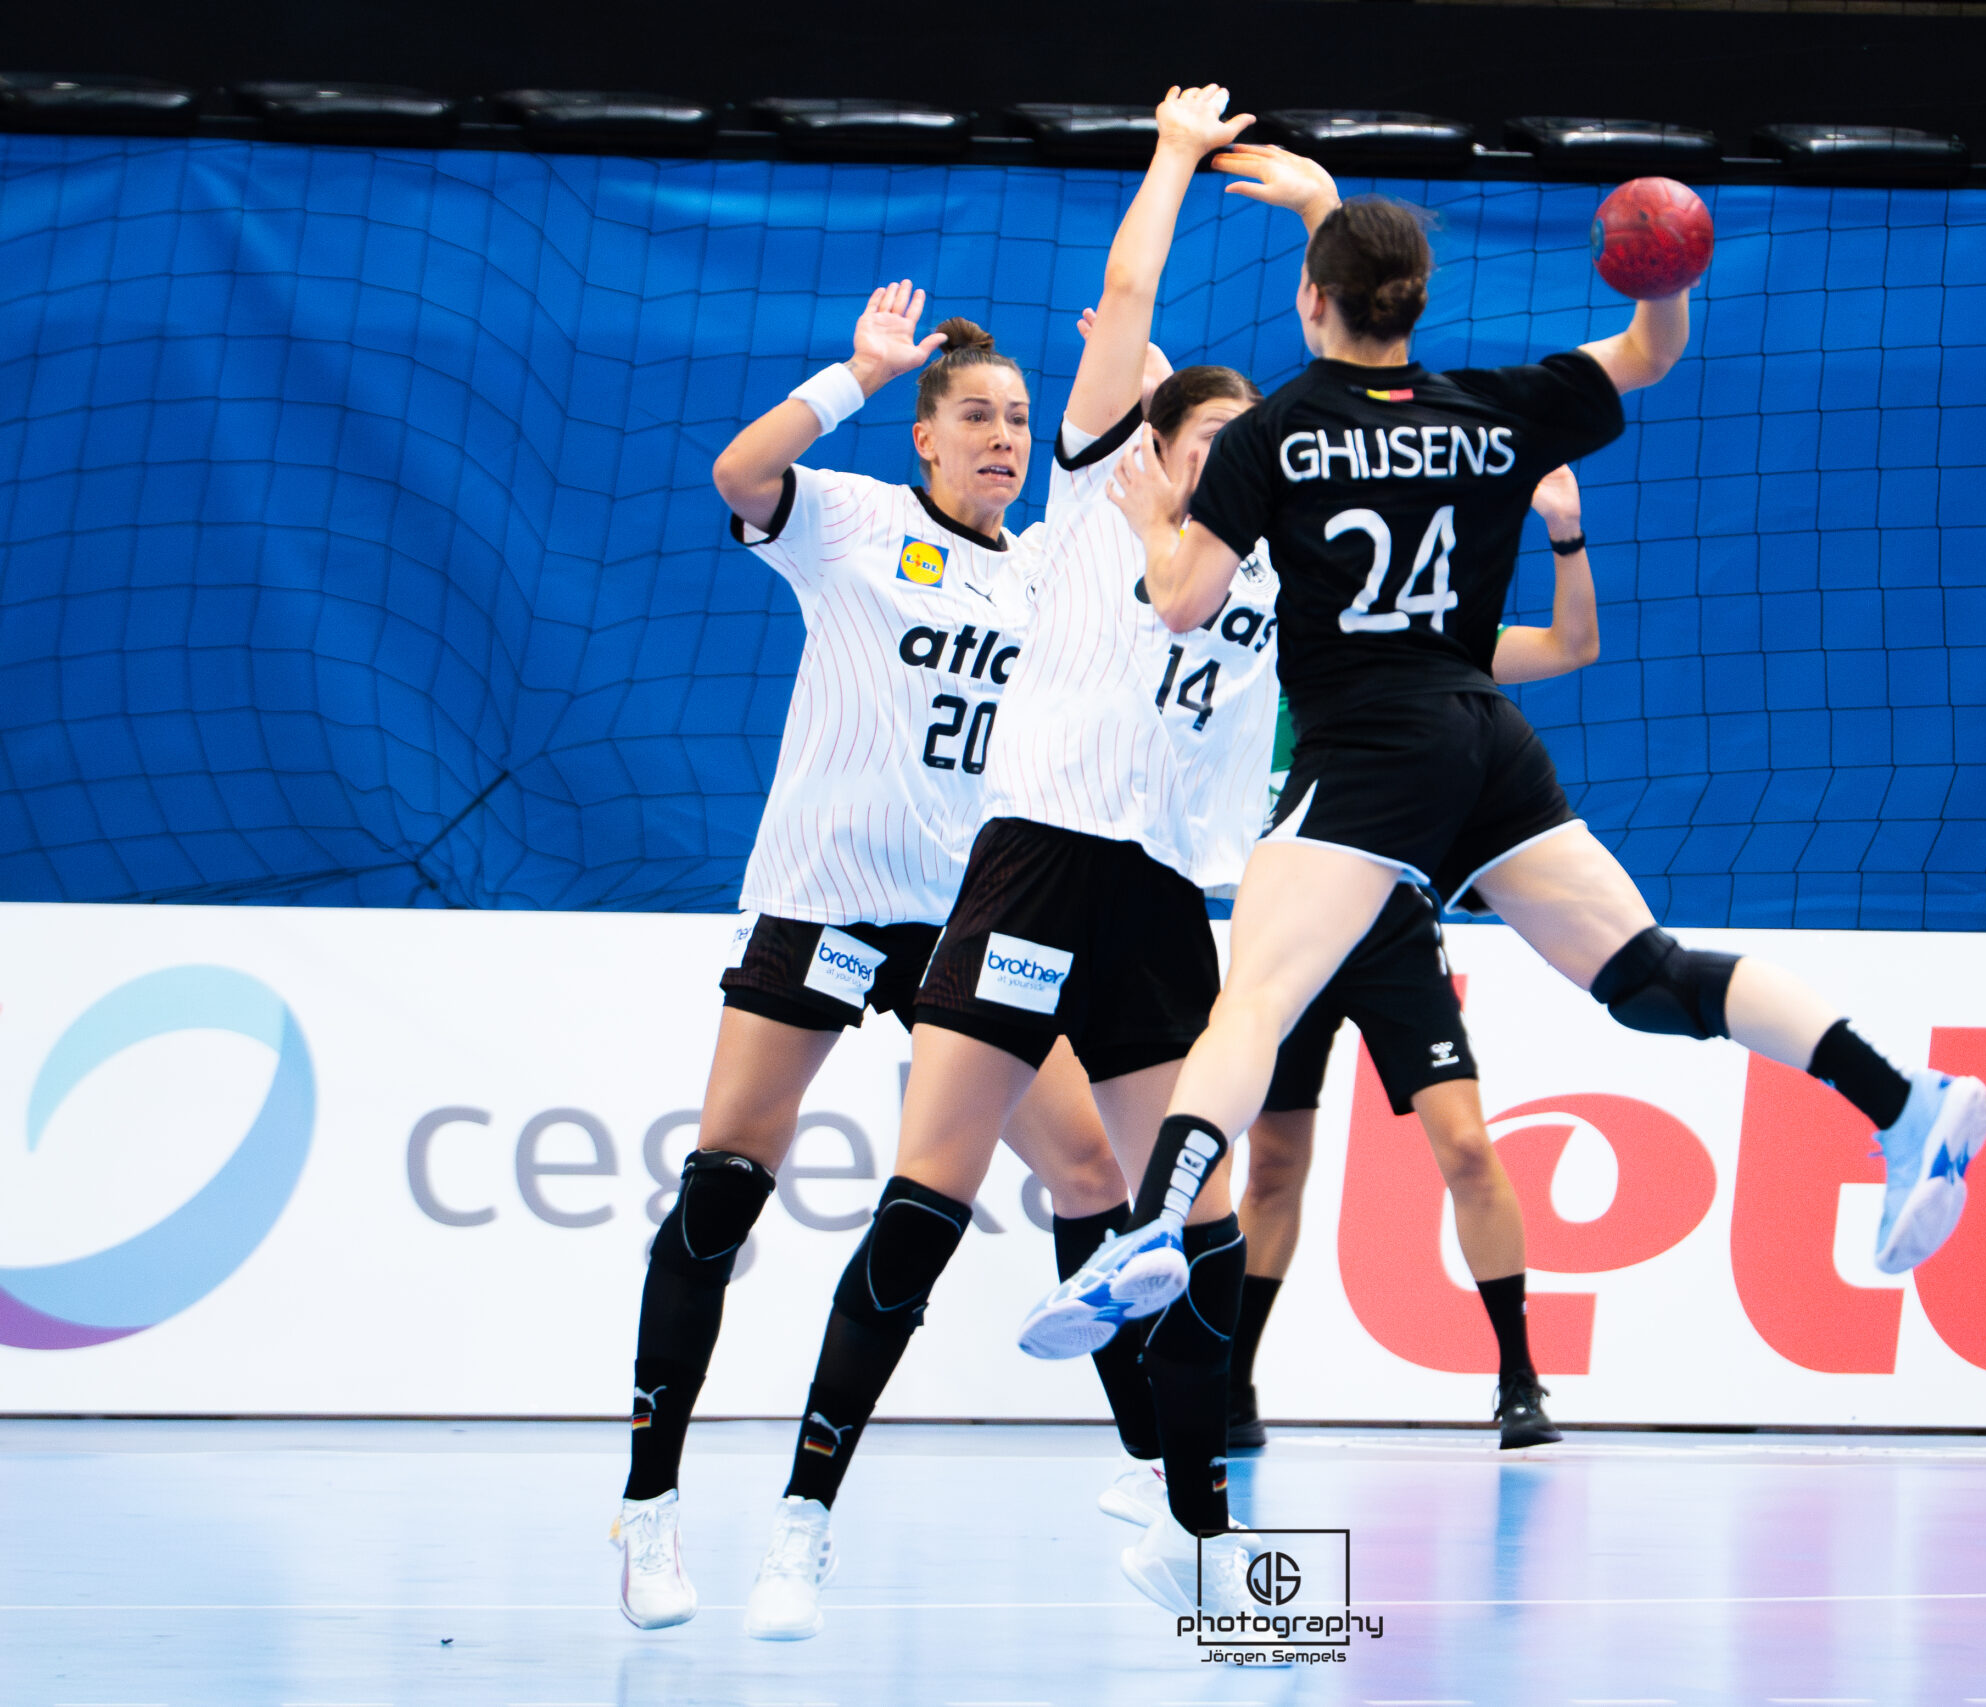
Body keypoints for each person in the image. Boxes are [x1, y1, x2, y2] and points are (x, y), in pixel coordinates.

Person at [1028, 154, 1986, 1354]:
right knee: (1648, 976)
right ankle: (1901, 1100)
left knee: (1258, 1002)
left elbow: (1180, 601)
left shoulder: (1267, 434)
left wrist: (1146, 525)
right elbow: (1650, 352)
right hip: (1483, 736)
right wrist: (1665, 269)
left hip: (1365, 744)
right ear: (1417, 299)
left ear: (1310, 299)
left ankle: (1152, 1230)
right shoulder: (1492, 411)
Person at [729, 84, 1292, 1635]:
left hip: (1164, 898)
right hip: (1037, 862)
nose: (1241, 457)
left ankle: (1196, 1528)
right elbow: (1130, 291)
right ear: (1149, 443)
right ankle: (799, 1524)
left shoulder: (1265, 562)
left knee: (1195, 1220)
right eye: (1214, 437)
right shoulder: (1094, 498)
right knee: (929, 1190)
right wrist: (1173, 154)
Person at [609, 280, 1136, 1635]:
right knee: (727, 1184)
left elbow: (1158, 527)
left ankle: (829, 1517)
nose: (1003, 436)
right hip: (829, 898)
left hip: (974, 917)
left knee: (1090, 1172)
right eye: (978, 416)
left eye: (1018, 418)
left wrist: (1138, 387)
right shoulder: (854, 518)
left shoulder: (1046, 569)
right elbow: (739, 474)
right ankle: (650, 1503)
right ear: (926, 436)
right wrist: (856, 372)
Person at [1227, 463, 1596, 1457]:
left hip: (1387, 918)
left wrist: (1563, 534)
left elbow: (1570, 646)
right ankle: (1231, 1383)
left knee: (1465, 1145)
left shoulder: (1421, 638)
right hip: (1286, 924)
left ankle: (1518, 1380)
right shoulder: (1239, 643)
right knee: (1272, 1164)